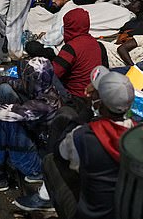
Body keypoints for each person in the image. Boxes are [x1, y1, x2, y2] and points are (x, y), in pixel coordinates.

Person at [21, 66, 135, 216]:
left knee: (50, 161)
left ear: (99, 103)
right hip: (126, 211)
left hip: (90, 214)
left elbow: (60, 152)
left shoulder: (85, 136)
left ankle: (45, 198)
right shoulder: (140, 135)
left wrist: (86, 111)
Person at [0, 57, 62, 193]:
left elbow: (4, 113)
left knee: (2, 118)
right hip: (35, 141)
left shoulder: (46, 102)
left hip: (37, 164)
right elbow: (0, 80)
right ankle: (0, 159)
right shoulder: (42, 87)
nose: (22, 81)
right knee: (3, 89)